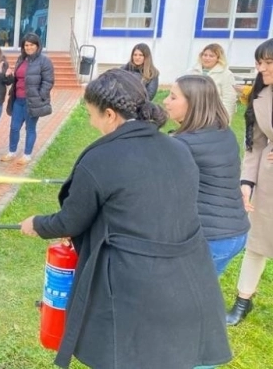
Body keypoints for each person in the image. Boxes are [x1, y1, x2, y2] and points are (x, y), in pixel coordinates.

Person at [20, 69, 232, 369]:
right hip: (191, 282)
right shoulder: (177, 149)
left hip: (136, 292)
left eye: (92, 115)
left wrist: (37, 224)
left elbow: (70, 221)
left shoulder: (100, 159)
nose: (92, 123)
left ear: (110, 115)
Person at [164, 75, 250, 275]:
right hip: (234, 231)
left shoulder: (184, 144)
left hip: (212, 238)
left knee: (182, 299)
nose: (166, 101)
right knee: (200, 296)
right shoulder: (223, 131)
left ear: (193, 104)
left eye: (173, 97)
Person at [226, 38, 273, 326]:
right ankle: (243, 300)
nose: (261, 68)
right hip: (268, 181)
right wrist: (247, 183)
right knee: (257, 243)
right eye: (259, 62)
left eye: (268, 62)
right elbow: (254, 145)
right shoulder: (259, 96)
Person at [1, 33, 54, 165]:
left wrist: (40, 95)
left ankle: (27, 155)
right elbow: (17, 78)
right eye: (26, 45)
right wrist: (9, 76)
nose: (28, 47)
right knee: (14, 127)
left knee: (30, 128)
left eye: (31, 45)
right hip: (18, 100)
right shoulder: (21, 59)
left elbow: (48, 81)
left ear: (37, 46)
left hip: (32, 101)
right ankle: (11, 152)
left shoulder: (44, 61)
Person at [187, 43, 238, 119]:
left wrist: (224, 119)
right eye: (205, 55)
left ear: (218, 58)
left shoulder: (226, 74)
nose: (207, 58)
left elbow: (229, 99)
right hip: (194, 113)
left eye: (211, 56)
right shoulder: (192, 72)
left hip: (214, 115)